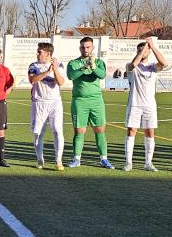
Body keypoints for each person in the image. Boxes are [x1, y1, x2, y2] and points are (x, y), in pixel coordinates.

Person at [123, 38, 168, 172]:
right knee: (132, 131)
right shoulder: (131, 66)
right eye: (140, 50)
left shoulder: (153, 66)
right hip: (135, 104)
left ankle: (148, 163)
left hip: (149, 105)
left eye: (145, 50)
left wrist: (152, 47)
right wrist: (143, 50)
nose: (142, 52)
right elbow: (133, 64)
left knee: (150, 132)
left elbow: (164, 63)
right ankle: (128, 162)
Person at [66, 37, 111, 169]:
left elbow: (102, 75)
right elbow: (71, 76)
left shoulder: (99, 62)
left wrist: (93, 66)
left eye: (88, 47)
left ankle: (104, 159)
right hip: (79, 101)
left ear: (92, 48)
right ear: (79, 48)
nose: (85, 49)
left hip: (96, 100)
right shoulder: (73, 63)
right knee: (80, 130)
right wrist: (84, 67)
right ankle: (76, 159)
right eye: (83, 47)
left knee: (99, 129)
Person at [28, 42, 66, 171]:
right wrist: (47, 72)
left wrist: (54, 69)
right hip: (38, 102)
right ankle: (40, 159)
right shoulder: (34, 66)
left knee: (57, 129)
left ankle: (58, 160)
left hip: (55, 102)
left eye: (40, 52)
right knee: (38, 133)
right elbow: (32, 80)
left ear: (48, 53)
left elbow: (60, 82)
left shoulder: (59, 65)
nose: (37, 53)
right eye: (38, 51)